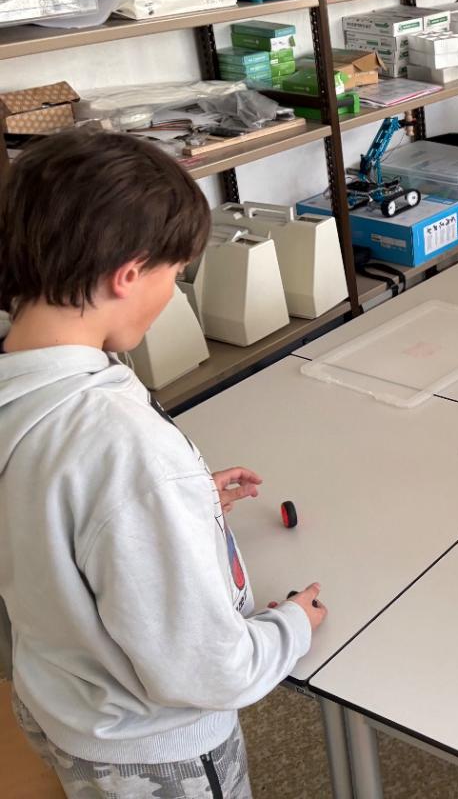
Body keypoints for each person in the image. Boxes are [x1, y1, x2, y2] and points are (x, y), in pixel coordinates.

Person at [0, 131, 324, 799]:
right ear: (128, 273)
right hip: (151, 752)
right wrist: (292, 626)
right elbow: (208, 669)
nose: (171, 293)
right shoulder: (124, 449)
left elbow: (50, 511)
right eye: (173, 277)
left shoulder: (19, 381)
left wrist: (176, 506)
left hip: (60, 700)